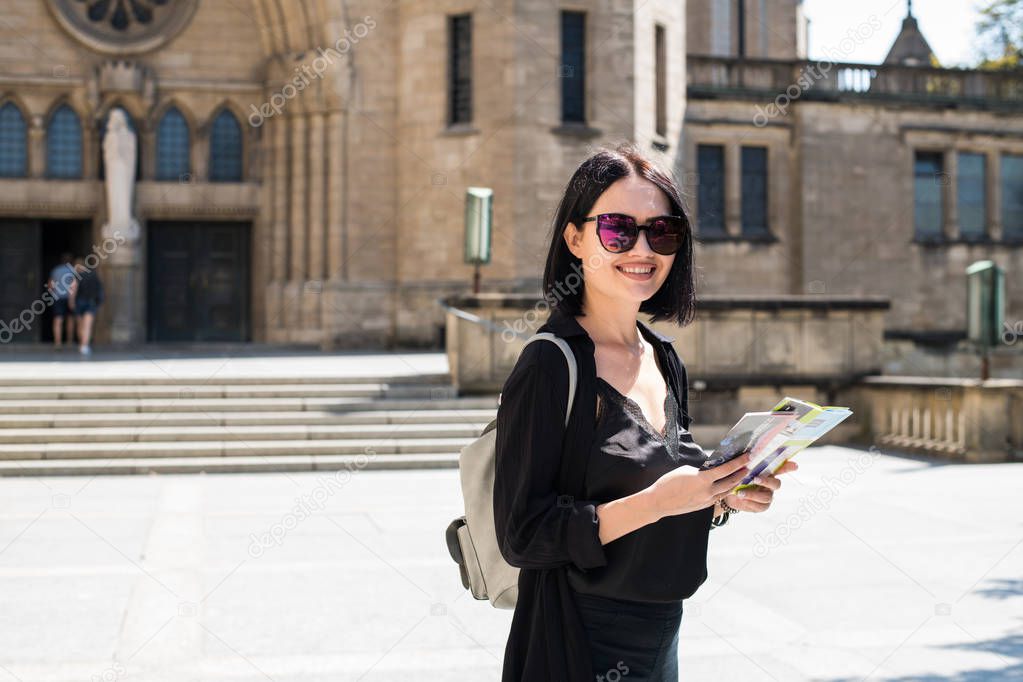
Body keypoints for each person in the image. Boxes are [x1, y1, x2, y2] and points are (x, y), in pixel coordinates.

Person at [492, 142, 798, 682]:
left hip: (662, 634)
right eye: (617, 229)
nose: (642, 248)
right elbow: (522, 535)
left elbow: (664, 490)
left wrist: (721, 495)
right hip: (575, 638)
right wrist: (656, 503)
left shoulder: (663, 356)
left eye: (662, 231)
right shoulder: (550, 365)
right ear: (576, 238)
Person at [68, 257, 104, 356]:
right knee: (87, 325)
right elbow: (100, 289)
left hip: (79, 302)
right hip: (91, 302)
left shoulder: (76, 276)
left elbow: (73, 290)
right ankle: (85, 345)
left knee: (80, 325)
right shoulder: (94, 275)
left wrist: (71, 302)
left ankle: (81, 344)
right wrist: (99, 302)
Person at [47, 252, 77, 348]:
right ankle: (69, 341)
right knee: (70, 320)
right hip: (69, 298)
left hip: (58, 297)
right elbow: (75, 286)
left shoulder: (56, 270)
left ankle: (58, 342)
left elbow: (50, 285)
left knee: (58, 320)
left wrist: (53, 294)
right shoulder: (73, 271)